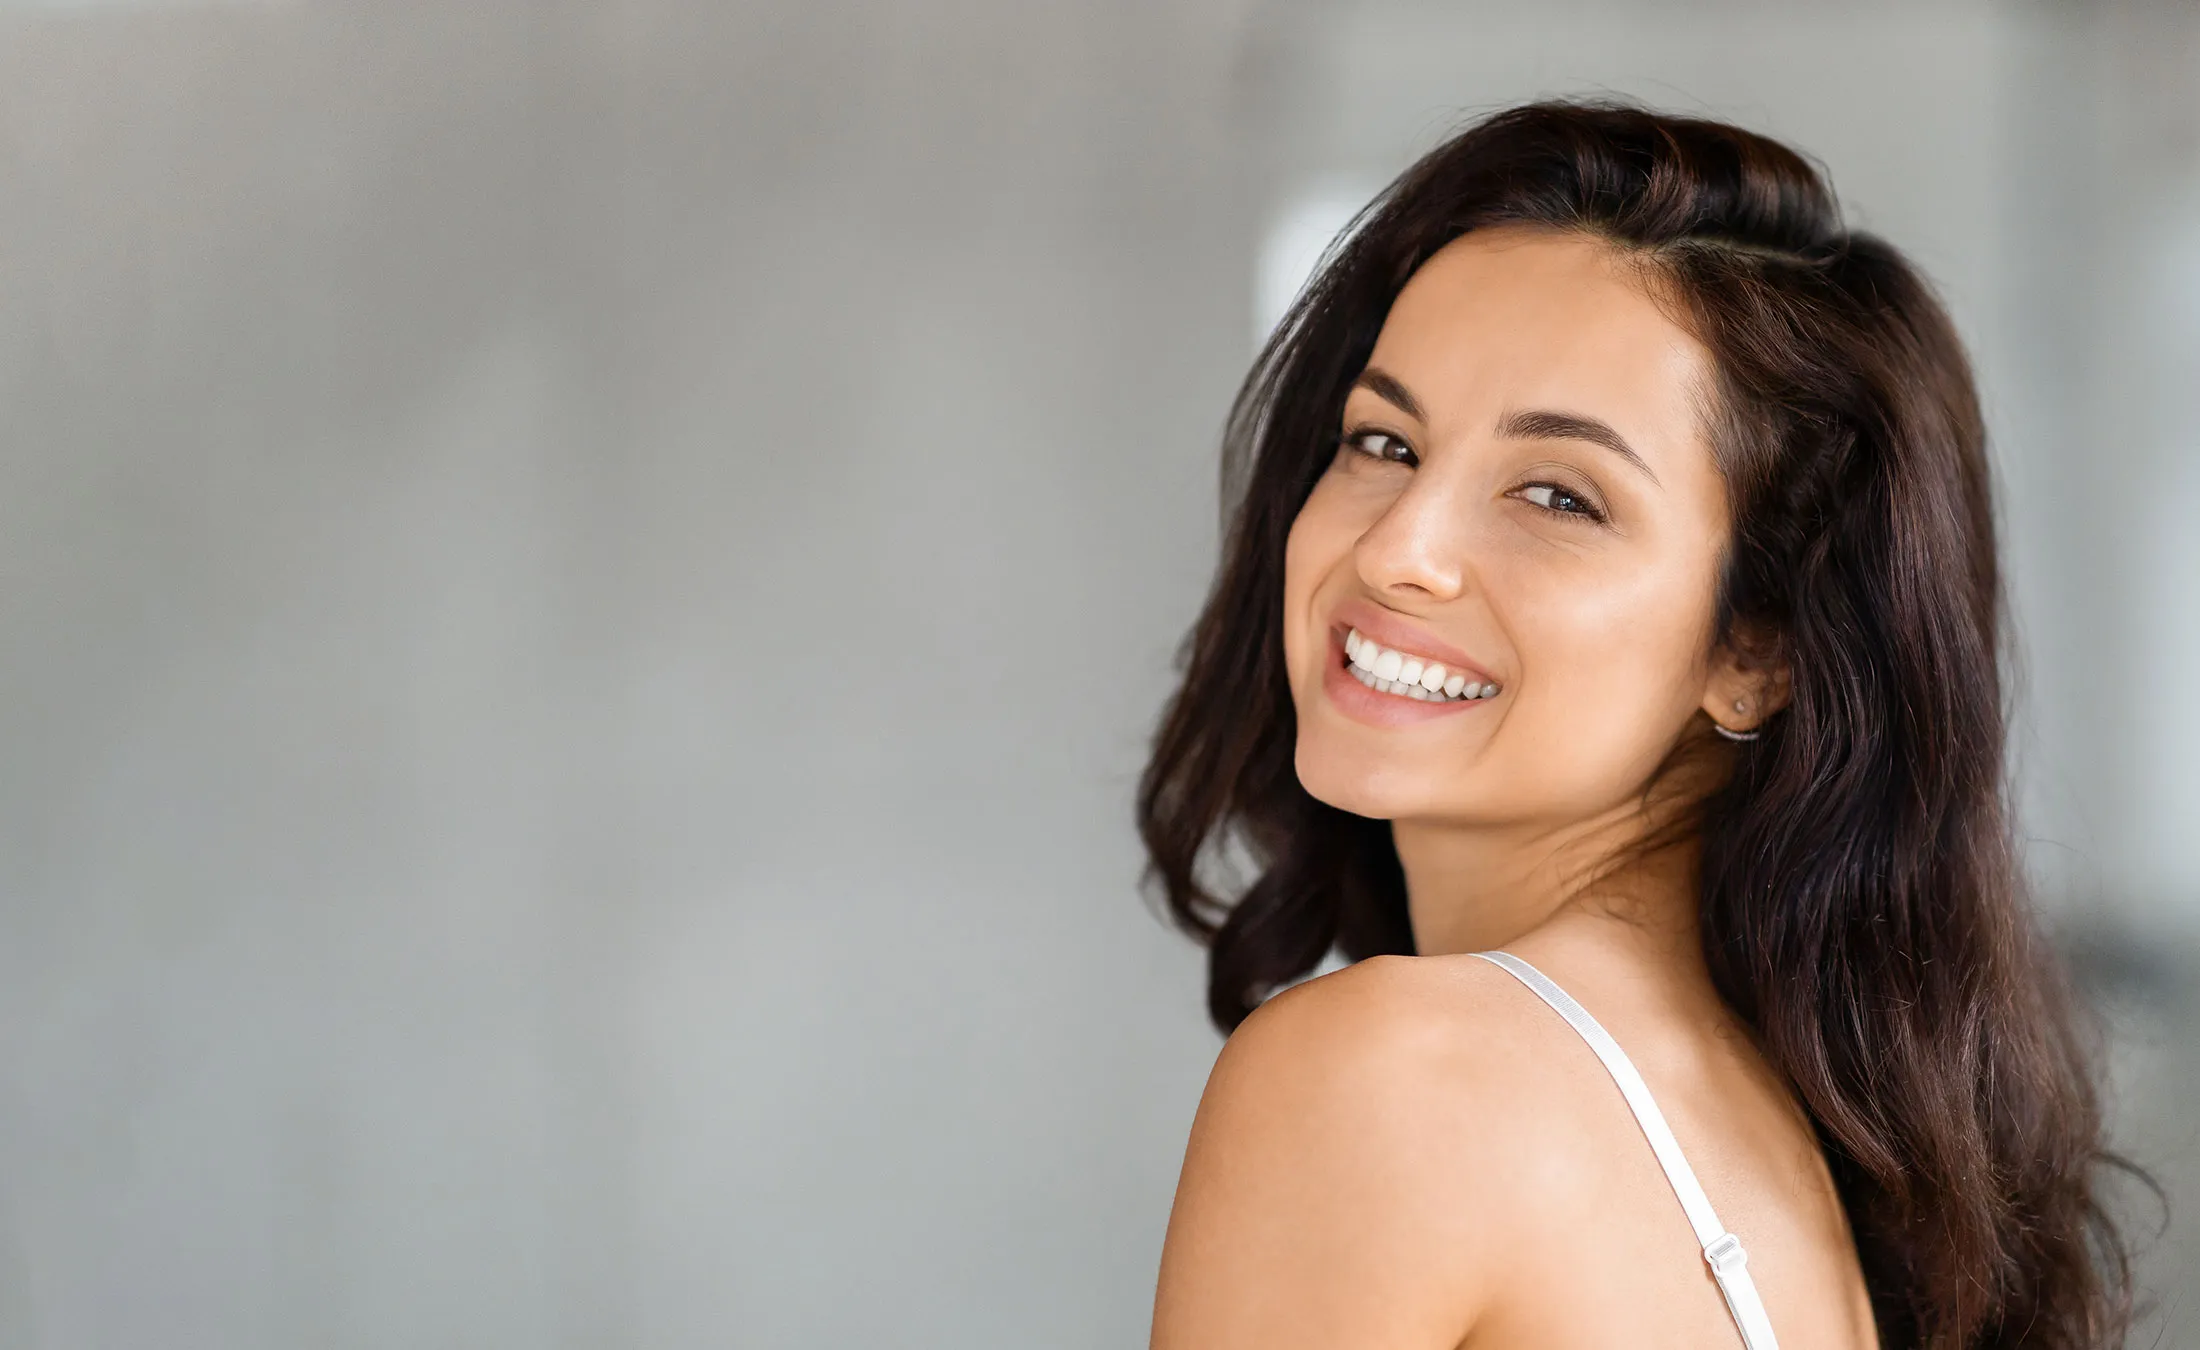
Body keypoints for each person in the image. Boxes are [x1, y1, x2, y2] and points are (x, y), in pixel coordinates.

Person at [1135, 100, 2141, 1349]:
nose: (1398, 550)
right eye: (1383, 440)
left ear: (1756, 649)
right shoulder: (1788, 1144)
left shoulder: (1393, 1078)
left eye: (1558, 493)